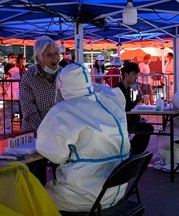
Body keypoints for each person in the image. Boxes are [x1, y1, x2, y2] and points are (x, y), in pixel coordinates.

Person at [36, 63, 130, 212]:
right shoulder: (111, 102)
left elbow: (55, 155)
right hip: (115, 192)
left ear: (61, 84)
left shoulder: (64, 111)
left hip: (82, 197)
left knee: (33, 196)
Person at [19, 35, 63, 185]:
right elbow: (29, 112)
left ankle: (62, 203)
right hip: (36, 134)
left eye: (56, 54)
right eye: (49, 55)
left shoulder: (64, 74)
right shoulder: (28, 78)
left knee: (64, 174)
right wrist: (46, 132)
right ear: (38, 58)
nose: (54, 58)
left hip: (61, 133)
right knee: (37, 178)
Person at [115, 62, 154, 155]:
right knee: (147, 128)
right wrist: (136, 101)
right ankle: (133, 150)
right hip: (124, 121)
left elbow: (128, 106)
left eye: (136, 75)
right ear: (126, 74)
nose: (136, 78)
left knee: (148, 128)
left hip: (130, 119)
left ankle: (132, 149)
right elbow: (124, 108)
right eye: (134, 75)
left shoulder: (127, 88)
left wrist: (136, 101)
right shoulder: (118, 89)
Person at [0, 66, 20, 134]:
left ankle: (7, 128)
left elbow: (15, 96)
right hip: (9, 103)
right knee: (1, 111)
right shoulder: (10, 82)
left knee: (3, 113)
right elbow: (5, 92)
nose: (8, 76)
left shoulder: (17, 83)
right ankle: (3, 127)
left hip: (16, 105)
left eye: (9, 74)